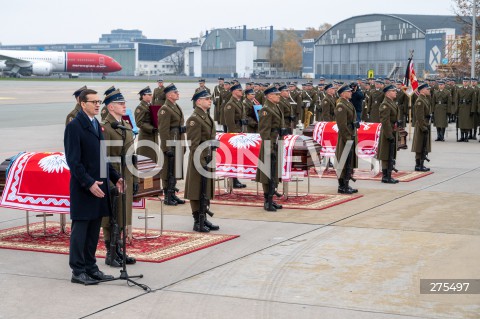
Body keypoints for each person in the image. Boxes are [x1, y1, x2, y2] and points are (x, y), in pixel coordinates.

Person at [64, 89, 121, 285]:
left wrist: (116, 177)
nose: (98, 104)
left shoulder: (96, 124)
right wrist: (88, 183)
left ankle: (91, 267)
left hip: (100, 186)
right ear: (83, 104)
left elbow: (103, 157)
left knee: (93, 231)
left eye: (99, 101)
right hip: (84, 188)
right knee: (80, 231)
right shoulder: (75, 127)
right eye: (93, 101)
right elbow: (73, 161)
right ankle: (78, 271)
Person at [100, 89, 137, 267]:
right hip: (112, 175)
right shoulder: (105, 127)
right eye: (121, 104)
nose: (124, 106)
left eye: (124, 103)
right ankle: (111, 251)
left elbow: (131, 154)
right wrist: (108, 182)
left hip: (126, 174)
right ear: (111, 106)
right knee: (111, 216)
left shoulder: (126, 125)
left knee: (122, 214)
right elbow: (103, 158)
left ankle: (120, 249)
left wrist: (134, 179)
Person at [185, 90, 220, 232]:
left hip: (208, 157)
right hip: (199, 160)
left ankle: (203, 218)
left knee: (205, 190)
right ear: (198, 101)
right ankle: (197, 220)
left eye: (210, 98)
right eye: (206, 98)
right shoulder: (194, 119)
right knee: (196, 190)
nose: (209, 100)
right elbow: (194, 144)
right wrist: (201, 161)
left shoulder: (206, 116)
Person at [256, 86, 285, 212]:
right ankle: (267, 201)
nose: (279, 96)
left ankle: (271, 199)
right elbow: (264, 131)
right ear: (269, 96)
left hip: (276, 142)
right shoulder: (266, 110)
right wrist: (269, 148)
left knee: (274, 173)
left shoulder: (275, 106)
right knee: (267, 174)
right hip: (270, 145)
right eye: (276, 94)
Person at [158, 84, 186, 205]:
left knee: (175, 170)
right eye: (175, 92)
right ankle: (167, 196)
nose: (178, 94)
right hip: (171, 143)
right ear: (169, 95)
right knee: (168, 170)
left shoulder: (175, 106)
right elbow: (163, 130)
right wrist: (166, 147)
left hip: (178, 140)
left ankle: (172, 194)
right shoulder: (165, 109)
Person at [334, 84, 358, 194]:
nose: (351, 92)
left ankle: (347, 183)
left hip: (351, 134)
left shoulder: (347, 103)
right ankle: (342, 185)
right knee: (343, 160)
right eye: (348, 91)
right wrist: (348, 138)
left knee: (349, 161)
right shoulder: (341, 105)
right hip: (345, 137)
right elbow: (342, 125)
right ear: (343, 94)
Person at [224, 83, 248, 188]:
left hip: (240, 133)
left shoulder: (239, 103)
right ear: (234, 92)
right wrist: (235, 135)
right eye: (239, 90)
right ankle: (233, 180)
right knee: (233, 158)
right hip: (235, 134)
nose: (241, 92)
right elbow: (229, 122)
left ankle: (236, 179)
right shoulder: (230, 104)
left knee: (238, 158)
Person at [376, 85, 400, 184]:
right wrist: (389, 135)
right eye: (393, 91)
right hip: (387, 132)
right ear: (387, 93)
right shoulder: (385, 104)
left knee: (390, 153)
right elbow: (385, 122)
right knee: (386, 154)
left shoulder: (391, 103)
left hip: (392, 131)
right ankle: (386, 176)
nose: (395, 92)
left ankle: (388, 175)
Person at [411, 83, 432, 171]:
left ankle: (421, 163)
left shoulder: (425, 99)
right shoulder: (420, 101)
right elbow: (419, 116)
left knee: (423, 145)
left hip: (425, 124)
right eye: (427, 89)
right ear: (422, 90)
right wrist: (423, 127)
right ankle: (418, 164)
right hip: (421, 125)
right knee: (419, 145)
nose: (429, 90)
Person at [135, 86, 158, 162]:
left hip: (153, 135)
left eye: (151, 94)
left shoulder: (150, 105)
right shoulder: (140, 107)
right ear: (143, 96)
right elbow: (139, 122)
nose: (151, 96)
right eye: (149, 94)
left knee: (153, 157)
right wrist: (151, 128)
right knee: (146, 157)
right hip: (146, 135)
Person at [454, 77, 475, 142]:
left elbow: (473, 101)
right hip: (461, 108)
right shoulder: (459, 90)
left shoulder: (471, 90)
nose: (465, 83)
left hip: (468, 108)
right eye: (464, 81)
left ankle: (466, 136)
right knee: (461, 123)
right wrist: (456, 109)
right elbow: (456, 100)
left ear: (468, 82)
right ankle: (462, 136)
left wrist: (472, 110)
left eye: (466, 81)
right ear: (462, 82)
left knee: (467, 123)